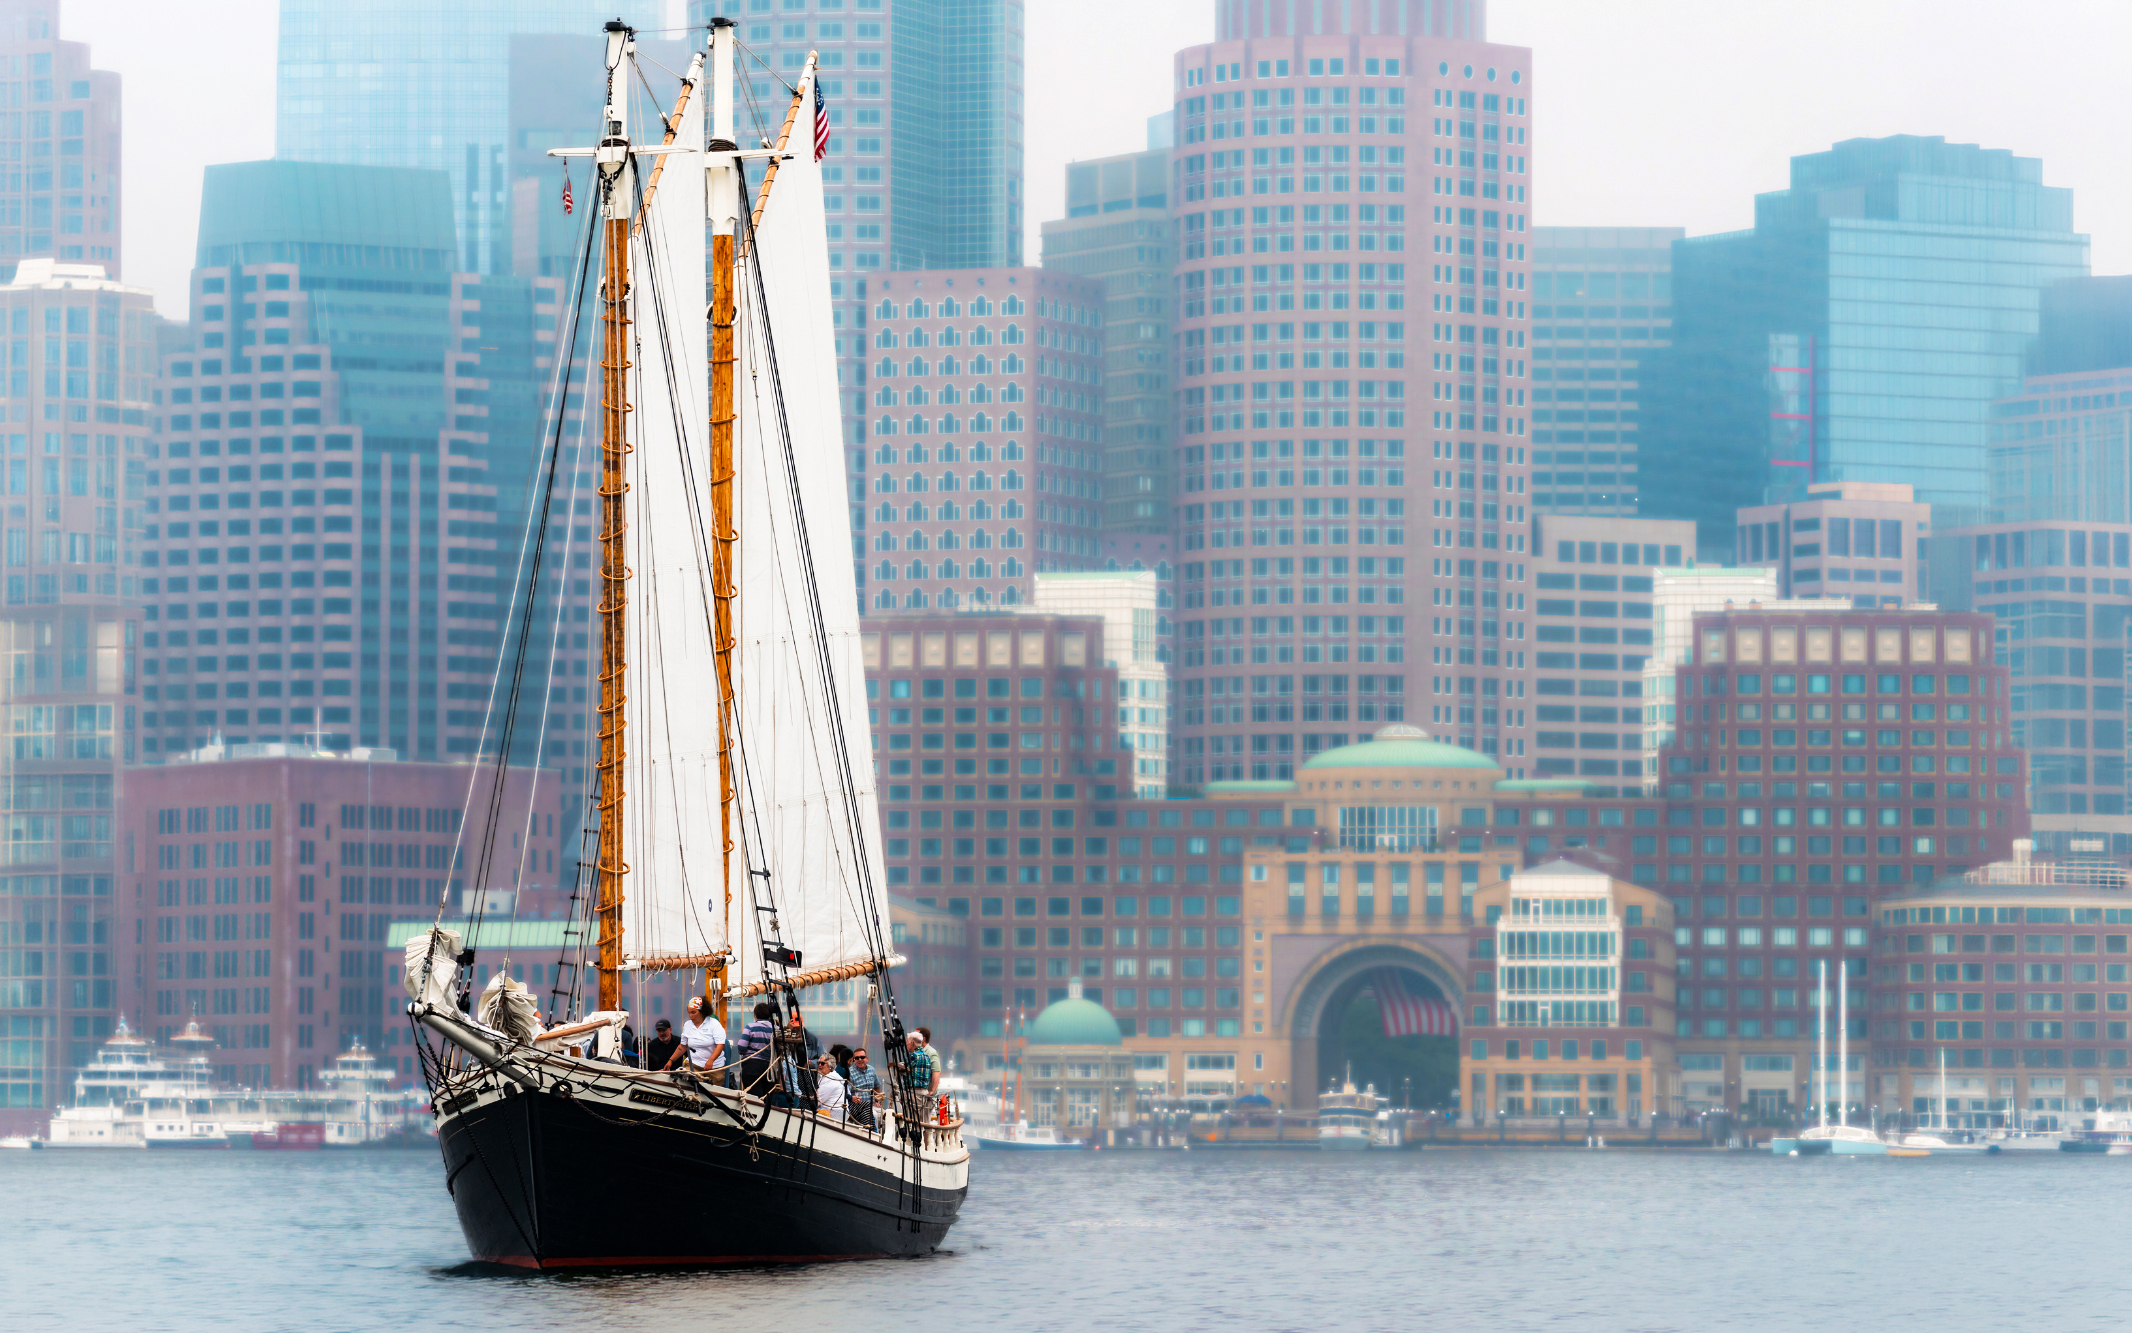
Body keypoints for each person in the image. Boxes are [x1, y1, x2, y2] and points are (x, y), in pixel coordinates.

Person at [734, 1001, 778, 1095]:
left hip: (752, 1066)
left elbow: (741, 1047)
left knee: (753, 1098)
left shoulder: (750, 1027)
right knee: (767, 1098)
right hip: (770, 1068)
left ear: (755, 1015)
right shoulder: (776, 1029)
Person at [678, 996, 727, 1082]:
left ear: (702, 1012)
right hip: (693, 1064)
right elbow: (682, 1046)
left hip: (714, 1067)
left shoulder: (714, 1024)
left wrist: (711, 1060)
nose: (690, 1016)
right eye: (689, 1013)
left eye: (693, 1012)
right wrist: (670, 1061)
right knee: (692, 1088)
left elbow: (720, 1045)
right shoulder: (687, 1025)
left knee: (712, 1092)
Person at [845, 1048, 881, 1129]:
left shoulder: (871, 1069)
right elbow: (848, 1092)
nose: (860, 1060)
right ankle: (873, 1134)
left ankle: (879, 1135)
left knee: (884, 1113)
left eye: (862, 1057)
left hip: (871, 1104)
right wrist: (853, 1099)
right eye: (857, 1058)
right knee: (873, 1114)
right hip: (858, 1106)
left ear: (867, 1059)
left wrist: (877, 1101)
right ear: (854, 1060)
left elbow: (877, 1085)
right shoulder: (850, 1072)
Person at [813, 1052, 849, 1122]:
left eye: (822, 1063)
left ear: (830, 1066)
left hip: (835, 1112)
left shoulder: (831, 1079)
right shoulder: (830, 1076)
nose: (819, 1065)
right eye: (818, 1063)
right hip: (838, 1111)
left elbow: (818, 1100)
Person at [916, 1026, 944, 1096]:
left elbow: (936, 1072)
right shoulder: (916, 1053)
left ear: (923, 1039)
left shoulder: (931, 1053)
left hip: (926, 1096)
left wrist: (932, 1091)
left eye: (915, 1036)